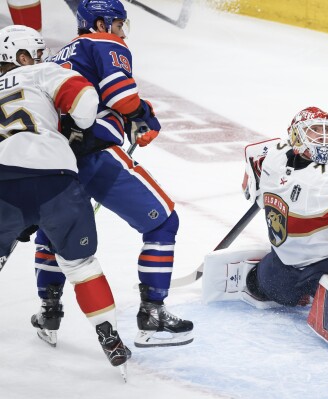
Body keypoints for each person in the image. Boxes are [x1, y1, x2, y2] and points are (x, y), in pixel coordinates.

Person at [31, 0, 193, 348]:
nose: (122, 32)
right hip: (93, 156)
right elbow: (121, 96)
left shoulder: (55, 58)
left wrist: (135, 114)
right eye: (119, 24)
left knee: (54, 232)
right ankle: (153, 314)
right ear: (102, 23)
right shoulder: (103, 43)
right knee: (163, 222)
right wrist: (142, 114)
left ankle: (49, 313)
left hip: (51, 161)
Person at [202, 106, 328, 377]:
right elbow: (258, 156)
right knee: (268, 288)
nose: (322, 139)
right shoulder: (275, 157)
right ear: (295, 137)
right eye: (314, 131)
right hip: (291, 261)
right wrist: (254, 181)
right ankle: (302, 285)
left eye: (326, 132)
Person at [0, 24, 130, 375]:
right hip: (56, 179)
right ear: (22, 57)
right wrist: (77, 126)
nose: (43, 58)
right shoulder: (42, 71)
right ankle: (110, 337)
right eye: (37, 53)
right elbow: (85, 100)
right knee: (81, 265)